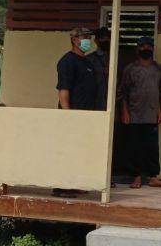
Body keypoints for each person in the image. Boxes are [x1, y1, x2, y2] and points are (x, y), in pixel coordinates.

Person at [121, 36, 161, 189]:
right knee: (134, 147)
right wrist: (125, 112)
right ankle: (136, 177)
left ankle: (153, 177)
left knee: (152, 148)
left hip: (152, 114)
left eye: (149, 46)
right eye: (143, 46)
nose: (146, 49)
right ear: (138, 49)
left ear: (152, 49)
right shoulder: (130, 69)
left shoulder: (159, 69)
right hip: (134, 114)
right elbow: (123, 93)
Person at [54, 27, 97, 198]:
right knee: (67, 151)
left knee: (79, 151)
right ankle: (61, 188)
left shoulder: (87, 62)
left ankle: (74, 184)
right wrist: (67, 115)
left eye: (89, 37)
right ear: (74, 39)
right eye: (84, 36)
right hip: (72, 115)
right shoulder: (67, 61)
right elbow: (63, 89)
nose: (87, 40)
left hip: (86, 115)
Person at [88, 27, 110, 111]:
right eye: (102, 38)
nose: (105, 40)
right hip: (94, 104)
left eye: (108, 37)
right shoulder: (89, 59)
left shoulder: (117, 59)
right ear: (96, 41)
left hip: (113, 104)